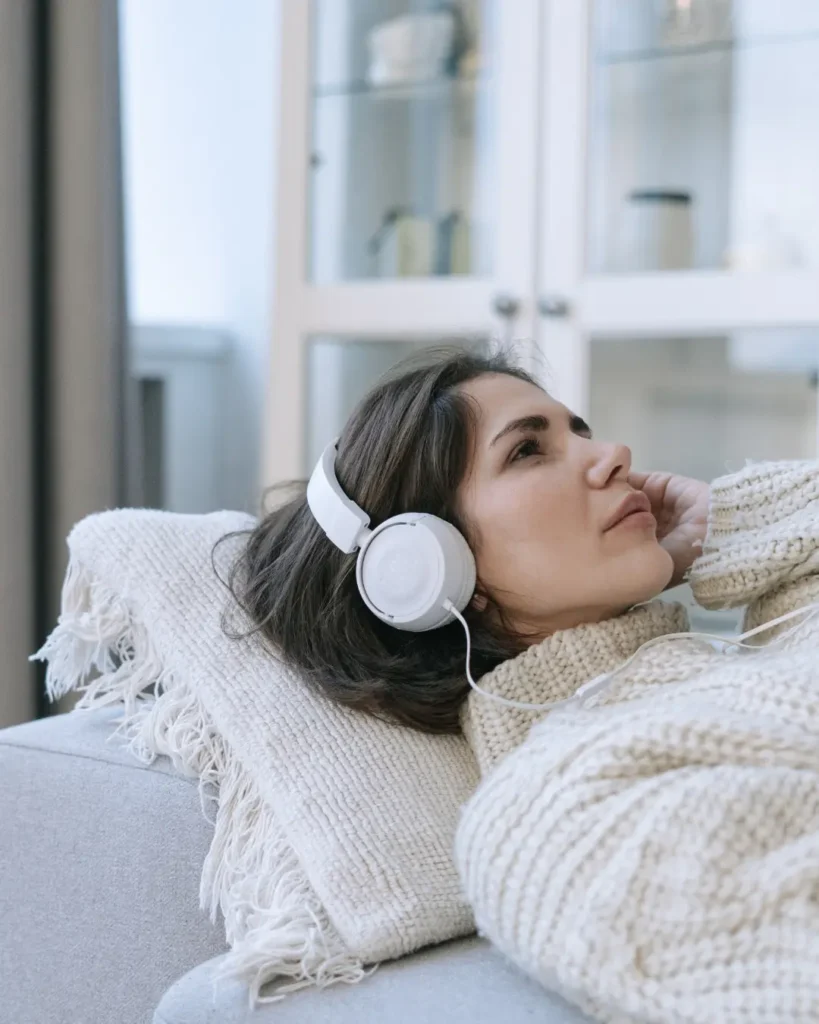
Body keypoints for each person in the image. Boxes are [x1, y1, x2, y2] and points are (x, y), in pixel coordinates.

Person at [228, 345, 711, 736]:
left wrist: (722, 530)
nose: (615, 454)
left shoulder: (683, 688)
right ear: (430, 568)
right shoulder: (573, 777)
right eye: (527, 450)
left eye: (582, 434)